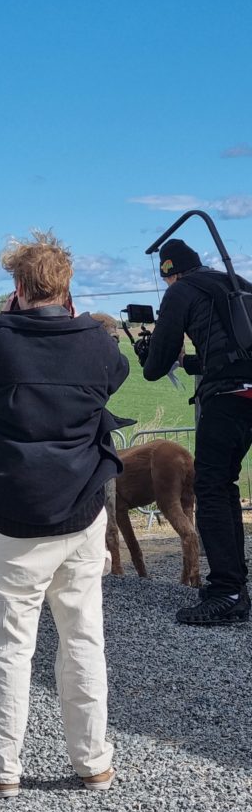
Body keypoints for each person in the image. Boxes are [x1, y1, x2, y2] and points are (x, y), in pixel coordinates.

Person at [0, 230, 129, 797]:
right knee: (84, 637)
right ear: (67, 290)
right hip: (84, 512)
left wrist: (3, 325)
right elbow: (115, 377)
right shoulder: (96, 344)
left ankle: (0, 772)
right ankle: (93, 764)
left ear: (16, 288)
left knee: (8, 644)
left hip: (15, 517)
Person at [139, 238, 252, 625]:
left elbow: (154, 367)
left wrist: (150, 352)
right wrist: (187, 361)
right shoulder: (234, 285)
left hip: (226, 397)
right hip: (246, 389)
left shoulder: (181, 291)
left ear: (171, 273)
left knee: (212, 487)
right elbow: (228, 351)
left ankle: (228, 593)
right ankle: (235, 582)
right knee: (225, 485)